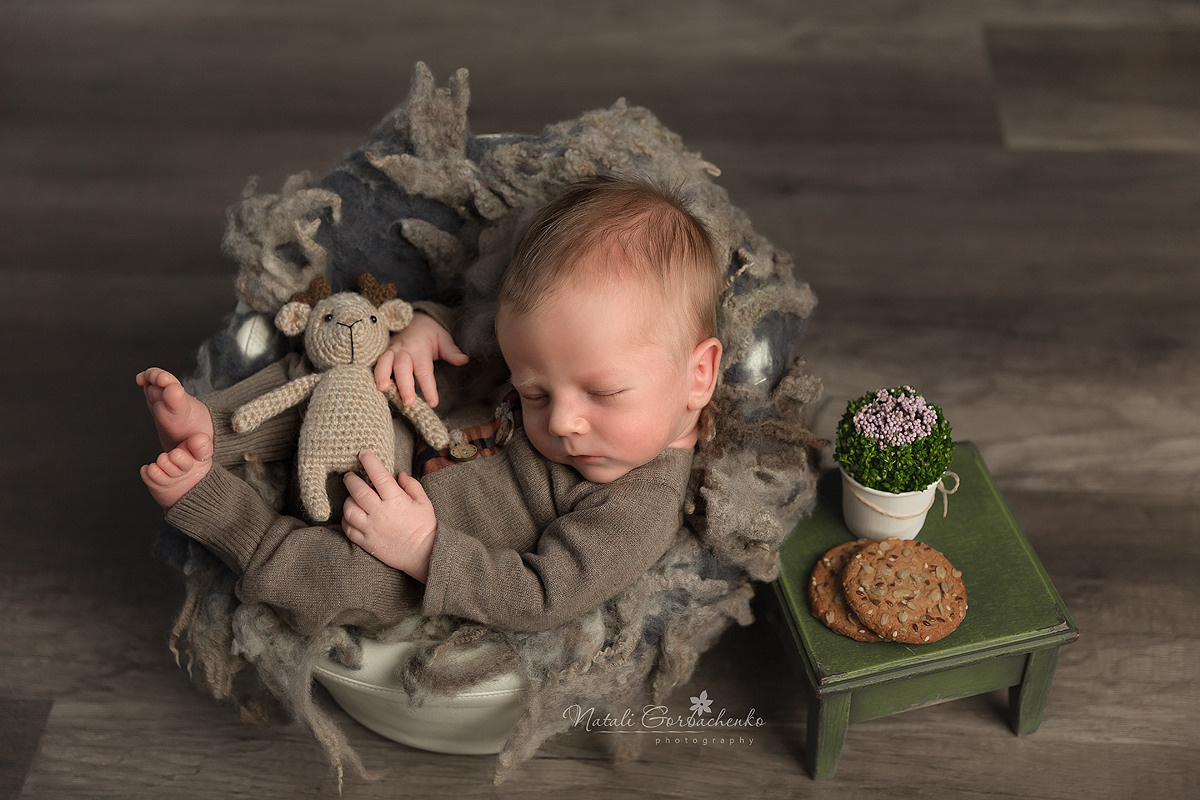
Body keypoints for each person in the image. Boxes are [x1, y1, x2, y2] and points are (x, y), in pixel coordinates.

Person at [137, 175, 724, 635]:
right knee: (343, 374)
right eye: (534, 392)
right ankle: (210, 427)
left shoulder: (640, 506)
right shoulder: (558, 351)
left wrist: (421, 550)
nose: (563, 421)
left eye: (602, 394)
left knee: (335, 582)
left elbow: (542, 597)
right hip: (376, 435)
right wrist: (423, 330)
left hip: (389, 549)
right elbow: (471, 345)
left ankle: (215, 507)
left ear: (699, 374)